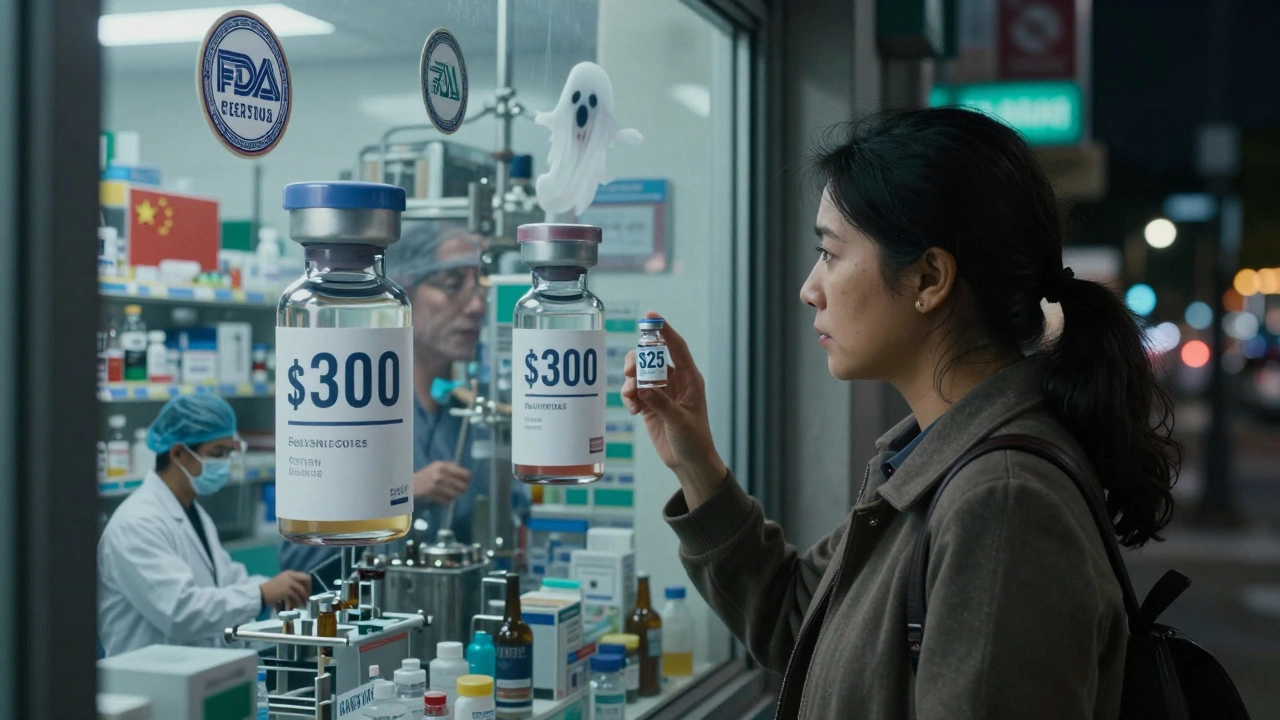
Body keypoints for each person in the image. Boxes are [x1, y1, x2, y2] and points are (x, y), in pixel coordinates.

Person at [621, 108, 1181, 719]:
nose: (811, 287)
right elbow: (796, 617)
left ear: (929, 277)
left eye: (830, 253)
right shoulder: (934, 456)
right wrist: (695, 462)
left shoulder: (1002, 503)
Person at [279, 221, 528, 579]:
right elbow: (299, 560)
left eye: (480, 288)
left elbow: (510, 527)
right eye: (453, 285)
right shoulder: (350, 407)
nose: (476, 307)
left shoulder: (475, 414)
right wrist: (401, 493)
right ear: (403, 288)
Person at [99, 395, 311, 657]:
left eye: (229, 453)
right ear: (178, 453)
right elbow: (179, 611)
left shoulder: (193, 513)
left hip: (193, 674)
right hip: (149, 682)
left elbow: (226, 582)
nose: (224, 464)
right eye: (217, 454)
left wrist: (278, 592)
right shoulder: (136, 524)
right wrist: (260, 594)